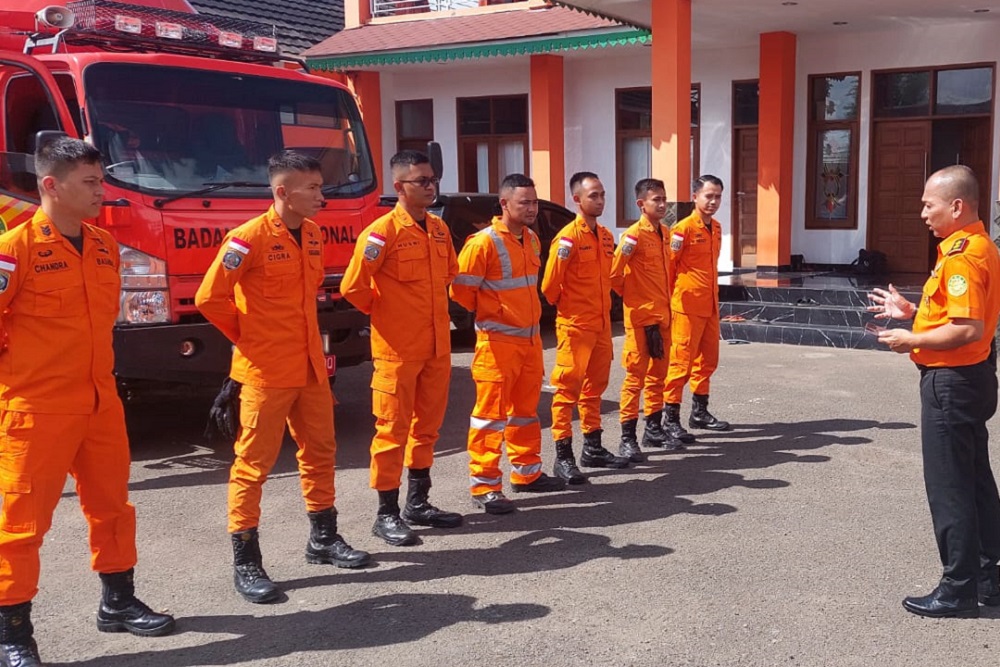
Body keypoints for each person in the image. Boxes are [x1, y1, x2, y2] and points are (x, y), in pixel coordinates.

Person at [0, 137, 174, 666]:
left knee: (113, 508)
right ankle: (12, 634)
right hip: (37, 407)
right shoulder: (15, 249)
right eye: (91, 182)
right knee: (20, 523)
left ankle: (118, 602)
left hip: (100, 402)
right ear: (50, 185)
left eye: (102, 179)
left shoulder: (102, 245)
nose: (103, 191)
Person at [196, 151, 370, 604]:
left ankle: (324, 539)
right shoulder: (246, 239)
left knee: (320, 453)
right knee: (253, 465)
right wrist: (249, 338)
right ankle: (247, 561)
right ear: (281, 192)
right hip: (265, 372)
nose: (320, 195)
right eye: (311, 188)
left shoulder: (312, 235)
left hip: (310, 367)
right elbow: (210, 298)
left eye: (319, 186)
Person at [869, 165, 1000, 619]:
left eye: (930, 204)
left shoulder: (963, 255)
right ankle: (989, 577)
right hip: (974, 376)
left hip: (952, 381)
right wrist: (910, 312)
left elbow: (966, 328)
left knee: (951, 487)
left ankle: (958, 588)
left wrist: (913, 340)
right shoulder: (976, 246)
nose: (923, 212)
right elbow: (952, 312)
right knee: (977, 480)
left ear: (957, 206)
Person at [341, 150, 462, 545]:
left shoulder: (439, 230)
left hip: (435, 348)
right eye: (420, 181)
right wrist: (387, 313)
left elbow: (449, 275)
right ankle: (386, 512)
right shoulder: (382, 233)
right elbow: (353, 287)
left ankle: (418, 503)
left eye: (432, 179)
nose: (430, 186)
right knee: (391, 432)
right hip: (397, 350)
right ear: (399, 187)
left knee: (427, 429)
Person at [451, 174, 566, 514]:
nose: (532, 208)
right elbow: (460, 292)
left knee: (526, 414)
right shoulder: (482, 243)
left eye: (534, 202)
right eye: (524, 203)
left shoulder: (530, 239)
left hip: (529, 342)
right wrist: (494, 315)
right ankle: (485, 486)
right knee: (489, 418)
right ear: (504, 204)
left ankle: (527, 474)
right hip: (497, 344)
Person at [541, 172, 630, 484]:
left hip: (602, 326)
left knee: (595, 388)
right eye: (593, 195)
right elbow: (550, 285)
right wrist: (570, 309)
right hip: (575, 326)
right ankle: (563, 456)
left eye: (603, 194)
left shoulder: (605, 236)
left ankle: (592, 447)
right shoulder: (568, 238)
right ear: (577, 199)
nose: (600, 200)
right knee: (567, 391)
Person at [663, 175, 731, 447]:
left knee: (708, 361)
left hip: (710, 305)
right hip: (686, 306)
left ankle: (699, 413)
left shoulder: (715, 228)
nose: (713, 201)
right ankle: (670, 419)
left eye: (718, 197)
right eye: (709, 196)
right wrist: (670, 304)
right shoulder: (682, 230)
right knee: (680, 363)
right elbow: (668, 269)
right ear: (695, 197)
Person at [610, 178, 675, 461]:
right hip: (640, 318)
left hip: (663, 316)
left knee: (659, 376)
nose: (662, 204)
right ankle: (627, 438)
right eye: (655, 200)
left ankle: (654, 428)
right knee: (635, 378)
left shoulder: (666, 233)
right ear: (641, 204)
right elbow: (614, 275)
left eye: (663, 199)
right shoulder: (632, 237)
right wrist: (634, 298)